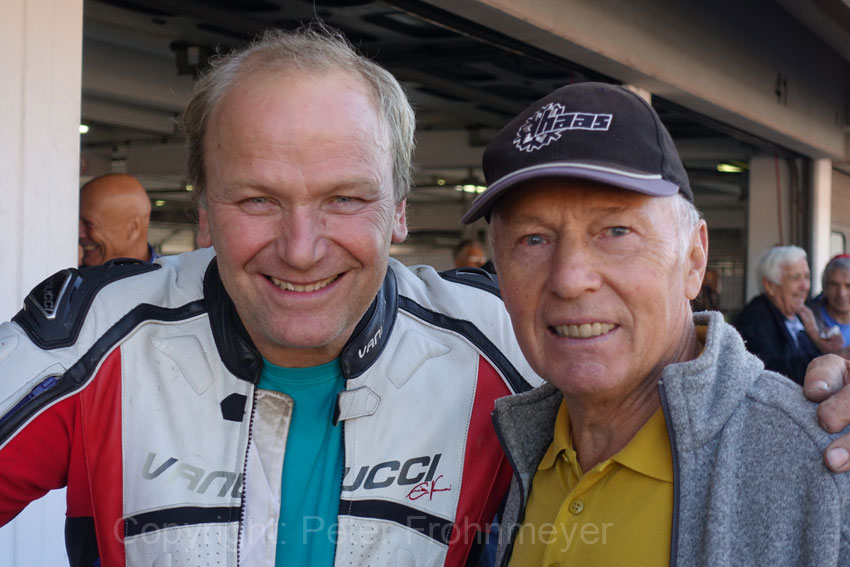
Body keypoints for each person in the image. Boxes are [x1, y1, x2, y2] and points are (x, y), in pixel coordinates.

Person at [0, 28, 539, 567]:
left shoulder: (508, 340)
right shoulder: (90, 335)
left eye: (344, 198)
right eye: (258, 200)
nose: (301, 251)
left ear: (399, 208)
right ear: (205, 211)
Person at [460, 82, 850, 566]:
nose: (569, 279)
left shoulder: (820, 466)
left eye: (616, 231)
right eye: (533, 239)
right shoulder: (497, 450)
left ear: (693, 259)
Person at [735, 245, 843, 384]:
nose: (804, 286)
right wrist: (831, 359)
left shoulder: (802, 315)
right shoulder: (753, 320)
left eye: (806, 277)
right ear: (769, 285)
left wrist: (821, 343)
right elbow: (770, 372)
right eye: (796, 278)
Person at [78, 172, 158, 266]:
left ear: (132, 228)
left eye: (89, 224)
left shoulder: (171, 278)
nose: (79, 233)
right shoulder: (68, 276)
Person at [812, 254, 850, 352]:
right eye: (834, 285)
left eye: (848, 286)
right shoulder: (808, 321)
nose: (841, 293)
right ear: (825, 287)